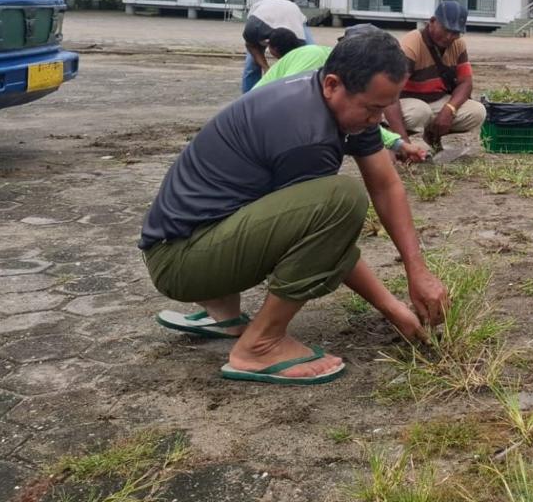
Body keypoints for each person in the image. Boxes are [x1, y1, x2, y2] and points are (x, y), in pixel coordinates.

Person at [140, 28, 448, 384]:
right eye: (373, 109)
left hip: (195, 240)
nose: (376, 120)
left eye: (384, 108)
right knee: (341, 200)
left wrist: (417, 270)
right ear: (333, 84)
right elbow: (325, 238)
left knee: (327, 203)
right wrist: (391, 307)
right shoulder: (306, 136)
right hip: (181, 262)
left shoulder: (340, 100)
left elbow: (385, 183)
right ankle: (261, 345)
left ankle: (223, 313)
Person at [256, 25, 431, 163]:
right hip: (264, 130)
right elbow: (286, 107)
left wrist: (398, 144)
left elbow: (366, 121)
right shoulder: (314, 57)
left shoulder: (348, 77)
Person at [386, 1, 485, 149]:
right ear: (432, 21)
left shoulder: (458, 45)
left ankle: (432, 135)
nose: (449, 37)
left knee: (477, 112)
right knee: (420, 112)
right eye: (446, 30)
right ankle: (388, 138)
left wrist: (449, 109)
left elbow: (465, 83)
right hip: (400, 101)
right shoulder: (411, 44)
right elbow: (389, 94)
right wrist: (403, 145)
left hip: (435, 99)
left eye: (455, 32)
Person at [241, 0, 312, 93]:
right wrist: (266, 67)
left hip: (292, 13)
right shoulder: (253, 28)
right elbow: (250, 45)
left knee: (310, 56)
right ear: (268, 44)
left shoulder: (299, 40)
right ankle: (248, 97)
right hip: (263, 14)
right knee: (252, 66)